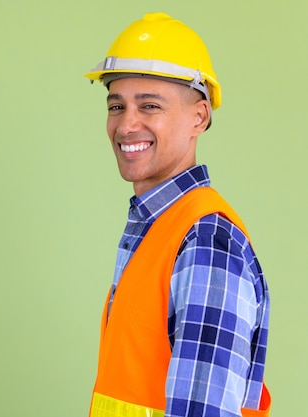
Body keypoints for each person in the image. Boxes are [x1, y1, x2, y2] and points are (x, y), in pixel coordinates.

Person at [83, 12, 271, 417]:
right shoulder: (155, 229)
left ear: (198, 117)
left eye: (149, 106)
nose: (126, 124)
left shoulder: (205, 239)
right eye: (116, 105)